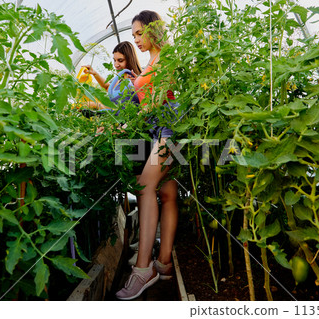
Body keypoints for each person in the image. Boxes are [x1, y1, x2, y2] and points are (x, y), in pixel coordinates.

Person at [116, 10, 178, 301]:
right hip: (158, 134)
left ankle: (143, 269)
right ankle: (163, 263)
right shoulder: (153, 61)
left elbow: (159, 99)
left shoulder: (166, 58)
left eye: (139, 33)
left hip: (170, 133)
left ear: (154, 29)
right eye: (133, 35)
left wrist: (131, 119)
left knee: (144, 185)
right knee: (167, 195)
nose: (136, 40)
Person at [83, 41, 142, 110]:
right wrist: (94, 73)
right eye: (114, 60)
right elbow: (108, 87)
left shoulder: (134, 82)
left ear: (130, 60)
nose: (116, 65)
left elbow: (119, 109)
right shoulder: (122, 79)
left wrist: (97, 106)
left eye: (120, 60)